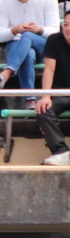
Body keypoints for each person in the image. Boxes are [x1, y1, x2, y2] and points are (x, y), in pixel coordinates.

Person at [0, 0, 59, 90]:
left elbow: (55, 31)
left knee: (27, 35)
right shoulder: (3, 0)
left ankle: (6, 73)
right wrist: (15, 30)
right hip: (17, 45)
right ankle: (30, 100)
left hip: (44, 45)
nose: (23, 0)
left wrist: (39, 30)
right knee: (28, 54)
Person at [35, 9, 70, 164]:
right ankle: (61, 151)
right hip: (59, 93)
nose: (68, 28)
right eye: (66, 25)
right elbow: (49, 69)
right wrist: (46, 96)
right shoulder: (54, 40)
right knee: (44, 110)